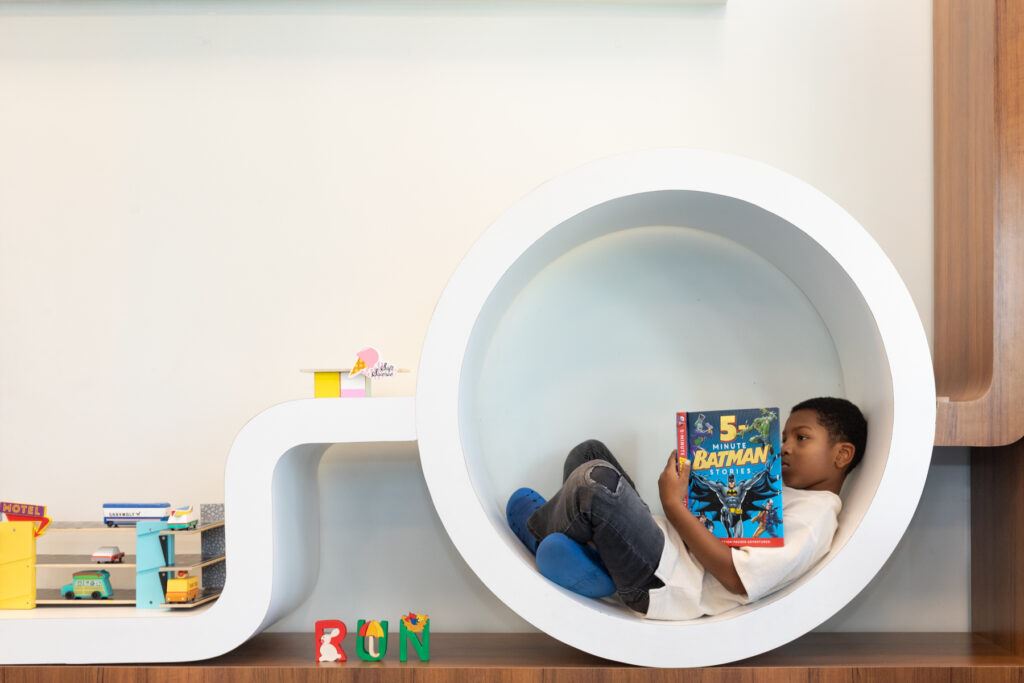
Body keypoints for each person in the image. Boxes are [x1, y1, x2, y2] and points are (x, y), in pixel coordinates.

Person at [505, 397, 866, 620]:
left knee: (592, 479)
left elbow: (736, 576)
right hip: (663, 549)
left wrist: (673, 504)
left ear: (841, 455)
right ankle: (595, 565)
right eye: (783, 437)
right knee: (588, 452)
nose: (785, 447)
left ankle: (542, 537)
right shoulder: (775, 487)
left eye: (801, 438)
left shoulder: (815, 517)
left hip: (667, 582)